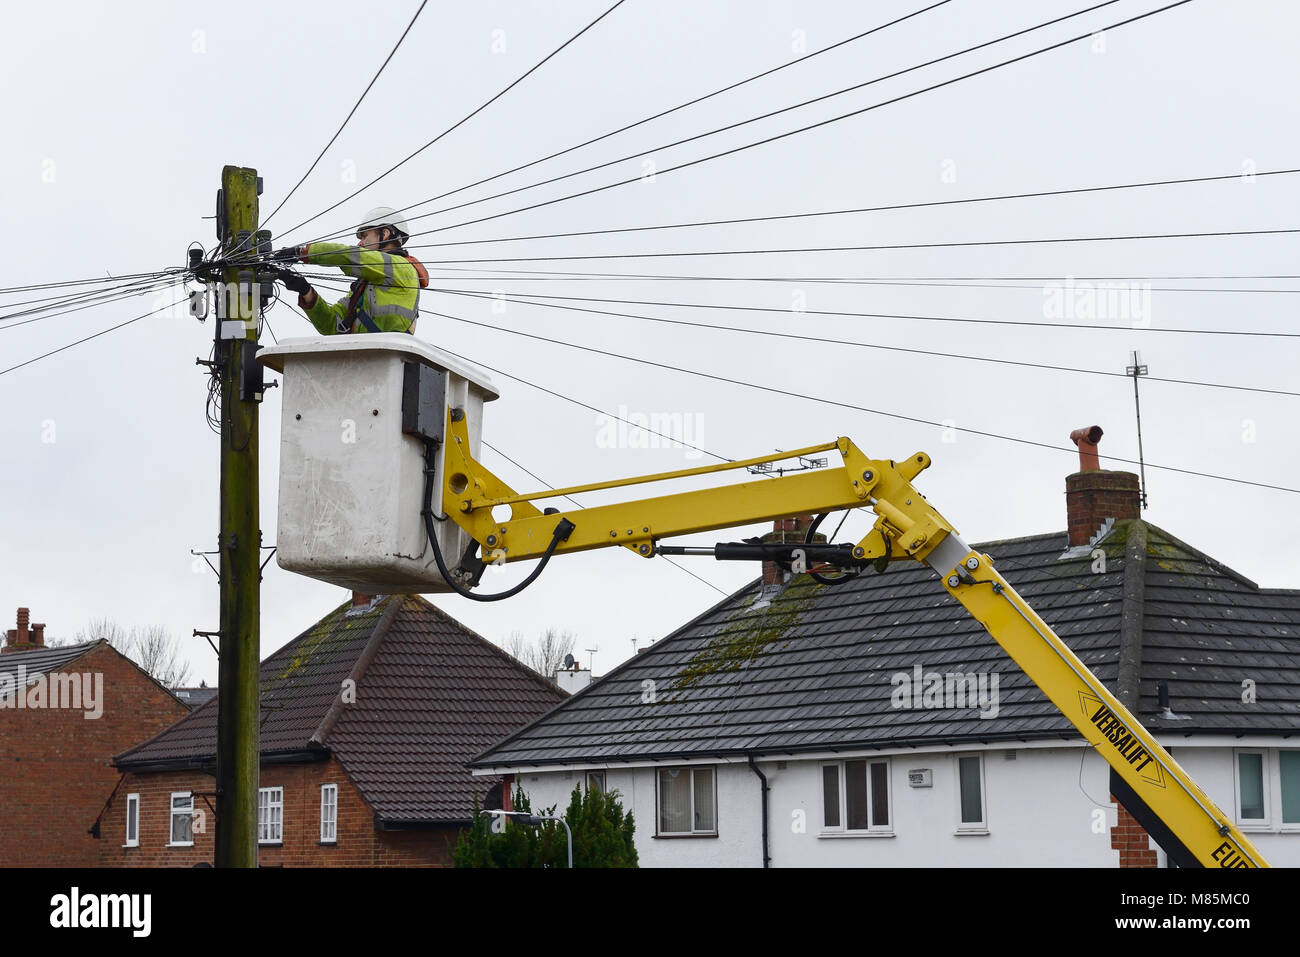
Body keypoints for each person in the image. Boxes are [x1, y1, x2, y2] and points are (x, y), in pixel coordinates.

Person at [272, 207, 429, 335]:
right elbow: (332, 325)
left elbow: (346, 256)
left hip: (384, 359)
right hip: (363, 360)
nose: (360, 243)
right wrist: (305, 291)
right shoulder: (366, 287)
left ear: (385, 233)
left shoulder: (401, 268)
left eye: (365, 235)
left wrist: (302, 252)